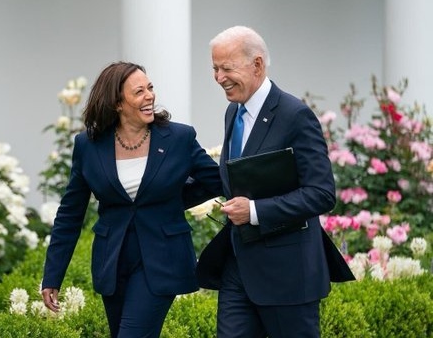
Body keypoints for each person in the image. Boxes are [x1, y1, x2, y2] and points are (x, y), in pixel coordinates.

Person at [41, 61, 222, 338]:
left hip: (162, 260)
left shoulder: (179, 138)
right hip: (112, 262)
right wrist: (52, 276)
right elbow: (70, 214)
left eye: (150, 88)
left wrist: (174, 199)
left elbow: (216, 181)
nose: (149, 96)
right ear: (117, 103)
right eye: (139, 92)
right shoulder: (88, 145)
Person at [197, 26, 354, 337]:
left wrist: (255, 211)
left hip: (288, 275)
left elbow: (322, 193)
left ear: (257, 65)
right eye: (215, 68)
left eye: (227, 68)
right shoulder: (233, 112)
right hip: (238, 268)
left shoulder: (295, 115)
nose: (218, 77)